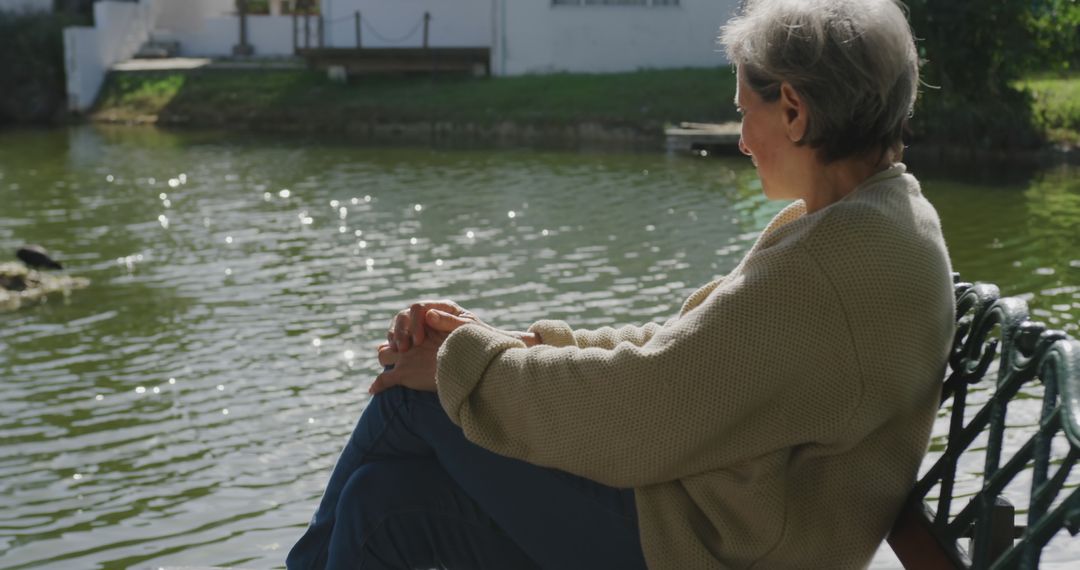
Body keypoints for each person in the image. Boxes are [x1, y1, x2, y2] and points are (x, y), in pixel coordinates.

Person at [287, 0, 955, 567]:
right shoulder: (875, 219)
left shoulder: (827, 267)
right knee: (377, 502)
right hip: (720, 515)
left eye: (742, 111)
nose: (742, 140)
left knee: (411, 401)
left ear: (793, 110)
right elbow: (687, 353)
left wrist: (467, 363)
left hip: (708, 547)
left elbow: (647, 404)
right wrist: (508, 344)